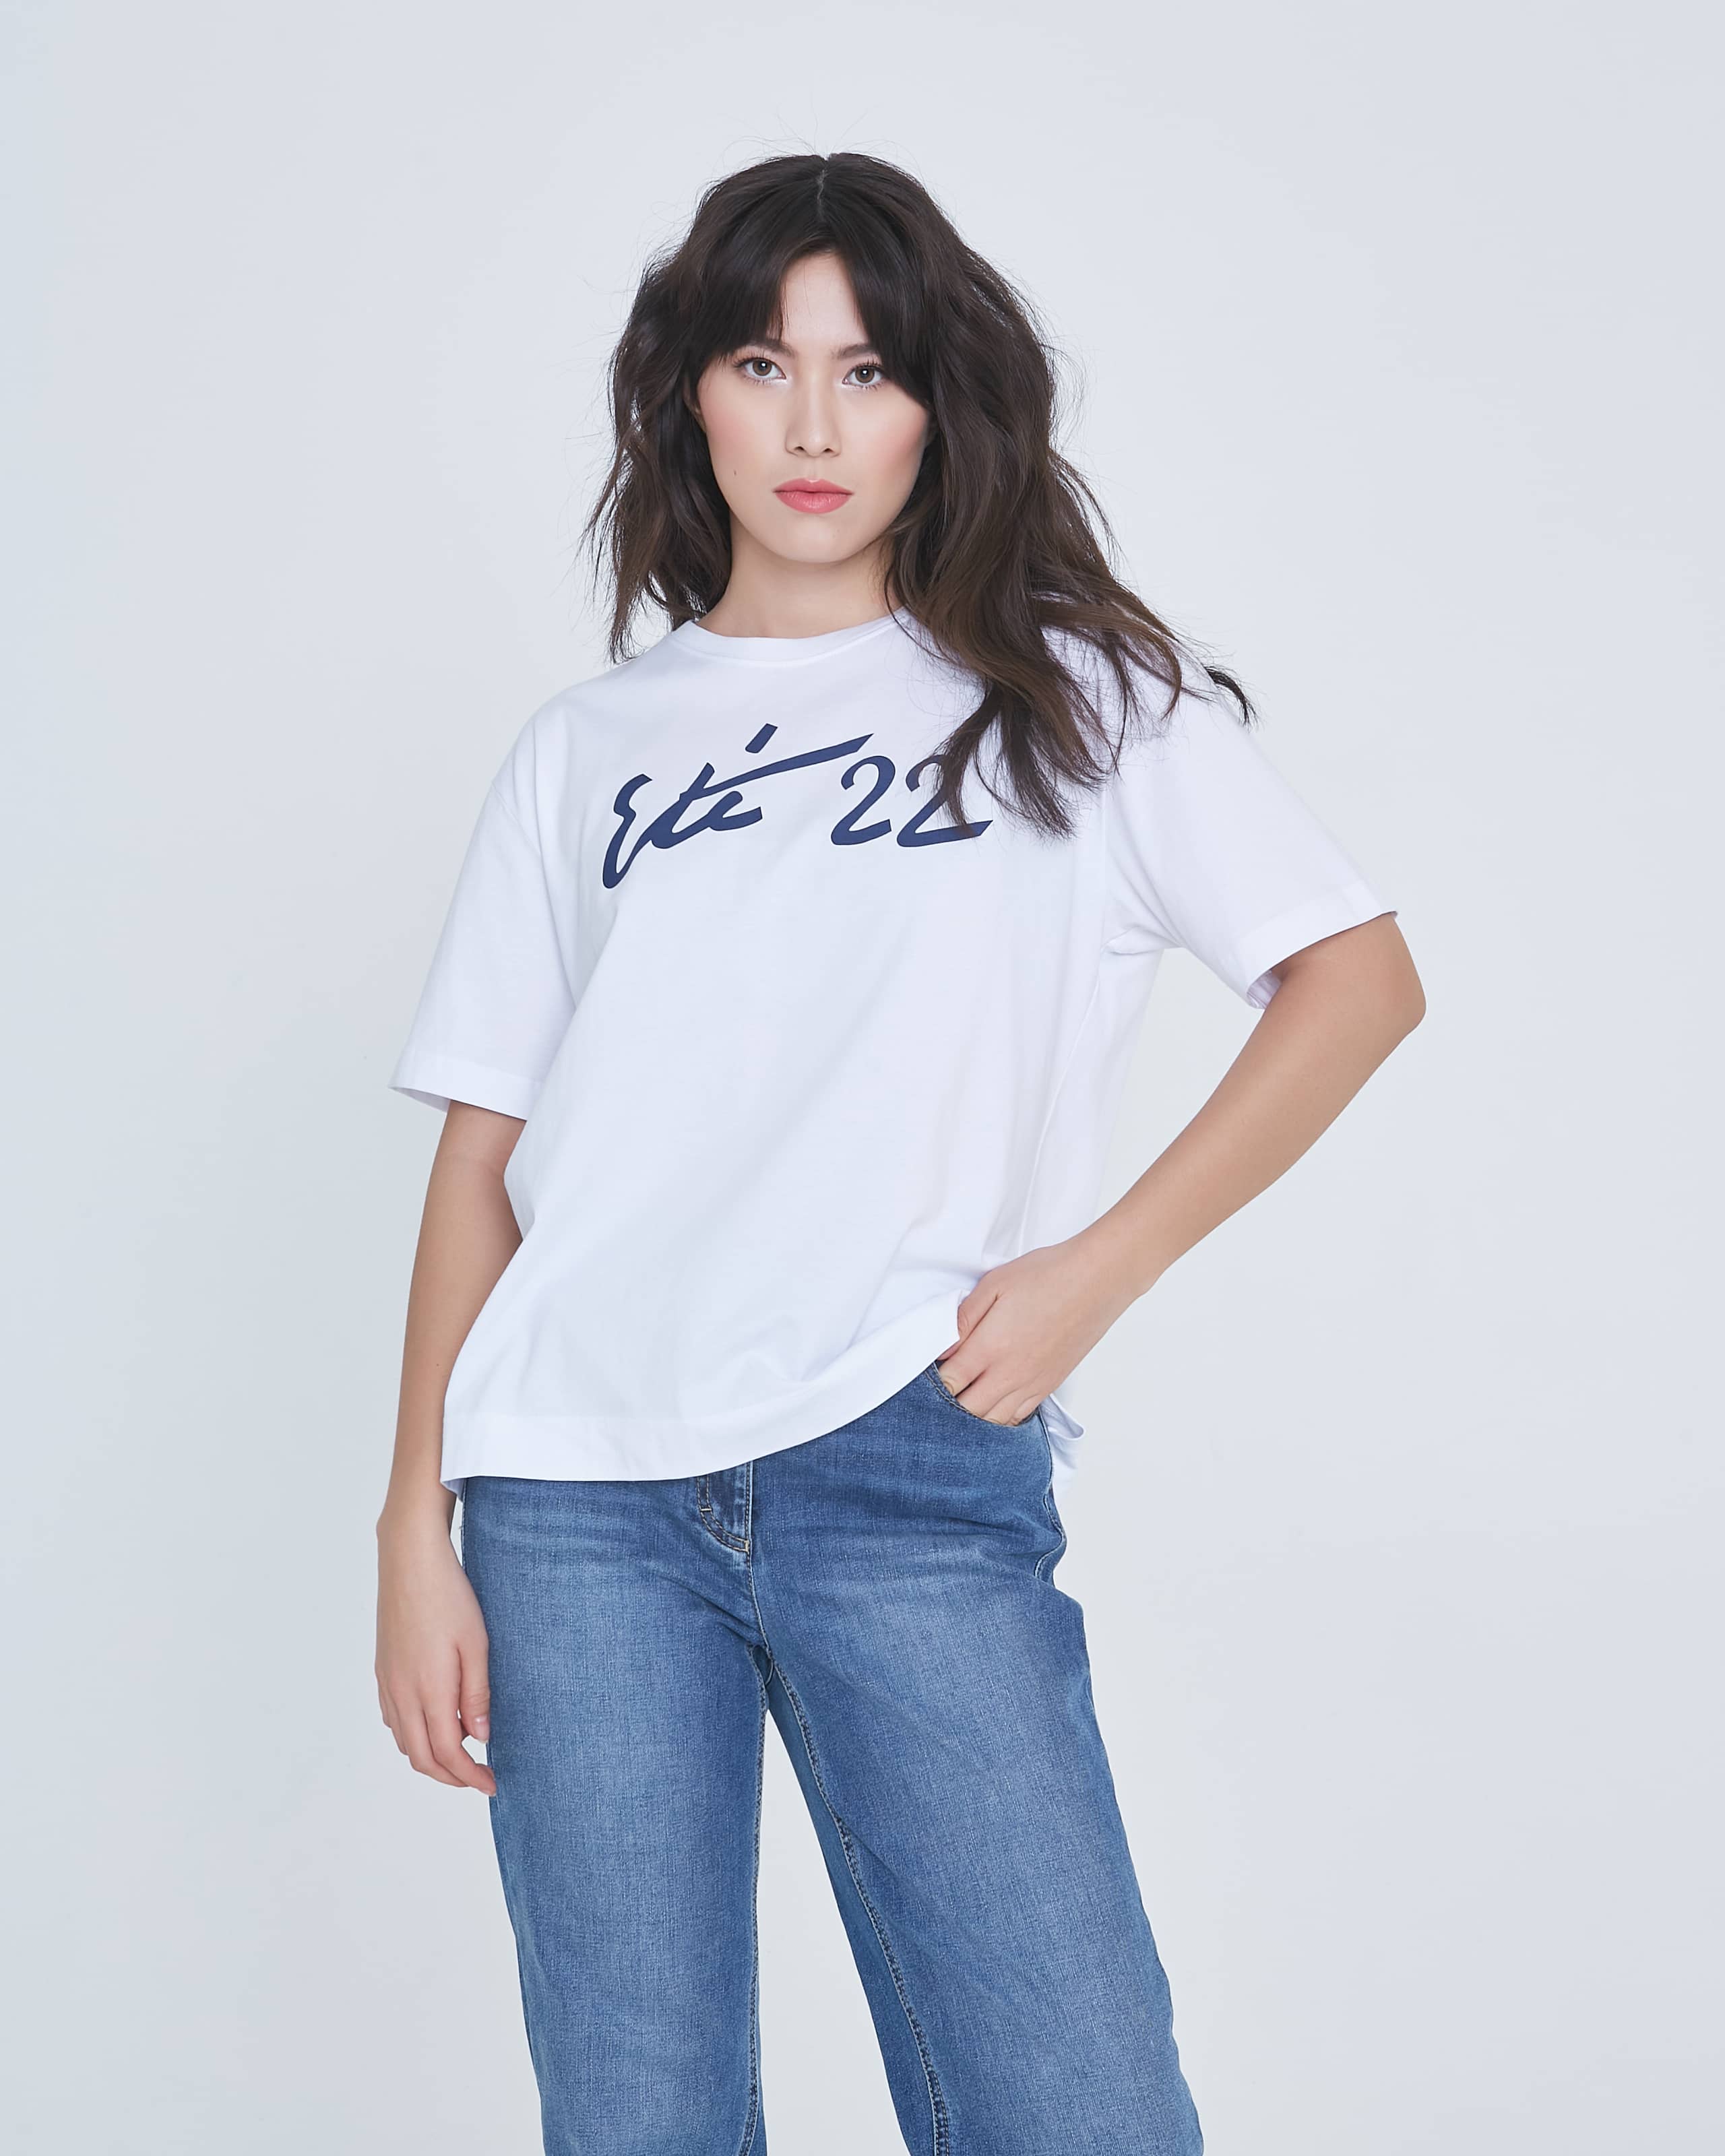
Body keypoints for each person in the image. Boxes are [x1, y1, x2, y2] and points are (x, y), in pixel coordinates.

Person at [374, 150, 1424, 2156]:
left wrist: (1100, 1267)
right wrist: (412, 1530)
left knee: (1076, 2108)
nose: (814, 428)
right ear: (689, 394)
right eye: (764, 366)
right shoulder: (587, 752)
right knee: (640, 2121)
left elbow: (1357, 982)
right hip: (573, 1505)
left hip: (906, 1459)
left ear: (940, 407)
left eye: (867, 373)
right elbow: (481, 1163)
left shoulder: (1076, 704)